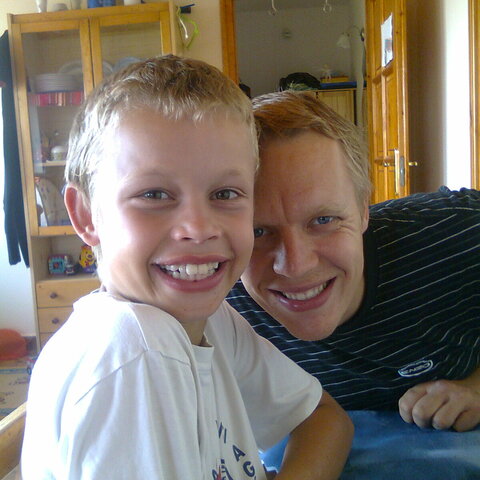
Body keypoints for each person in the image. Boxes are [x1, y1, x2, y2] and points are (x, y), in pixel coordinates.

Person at [21, 58, 353, 479]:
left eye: (225, 193)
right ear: (87, 216)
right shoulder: (132, 351)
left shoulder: (211, 322)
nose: (198, 228)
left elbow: (324, 417)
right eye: (154, 194)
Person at [227, 90, 480, 433]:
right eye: (258, 231)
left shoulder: (454, 234)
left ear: (363, 210)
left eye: (324, 220)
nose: (296, 266)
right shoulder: (218, 306)